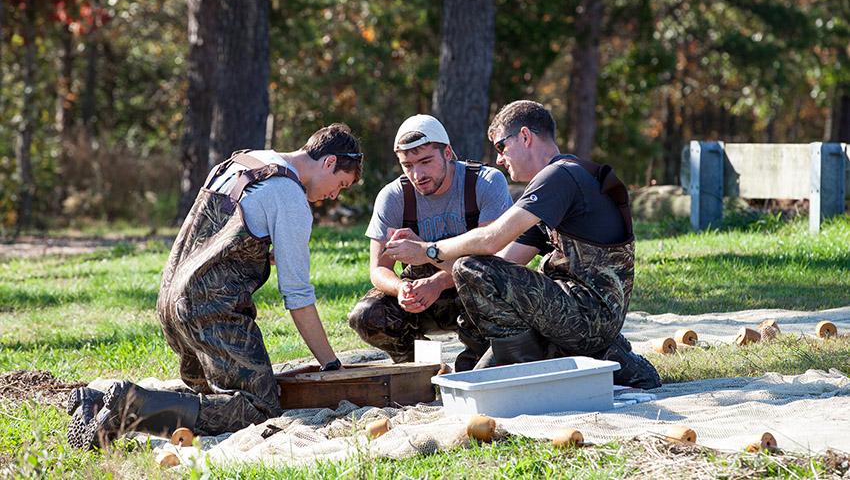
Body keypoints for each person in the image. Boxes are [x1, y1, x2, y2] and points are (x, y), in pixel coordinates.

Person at [67, 124, 364, 449]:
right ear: (329, 162)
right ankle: (128, 408)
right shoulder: (290, 196)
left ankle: (97, 401)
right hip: (211, 312)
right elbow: (298, 296)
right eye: (341, 184)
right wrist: (331, 364)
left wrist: (259, 253)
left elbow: (221, 234)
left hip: (171, 302)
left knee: (211, 397)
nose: (334, 196)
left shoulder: (244, 161)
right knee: (257, 408)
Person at [385, 101, 661, 388]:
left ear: (525, 136)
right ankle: (600, 357)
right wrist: (432, 260)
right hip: (586, 315)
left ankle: (531, 370)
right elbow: (502, 263)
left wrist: (428, 250)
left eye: (501, 147)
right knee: (473, 275)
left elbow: (491, 240)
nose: (499, 159)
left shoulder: (560, 176)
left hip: (589, 318)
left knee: (471, 268)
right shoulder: (564, 177)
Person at [348, 115, 513, 370]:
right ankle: (420, 367)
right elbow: (379, 269)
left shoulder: (485, 182)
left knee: (475, 370)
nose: (418, 174)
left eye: (425, 161)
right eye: (407, 165)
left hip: (477, 294)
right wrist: (401, 289)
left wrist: (437, 281)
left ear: (447, 153)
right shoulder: (393, 197)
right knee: (367, 315)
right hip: (421, 299)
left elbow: (495, 263)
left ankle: (475, 361)